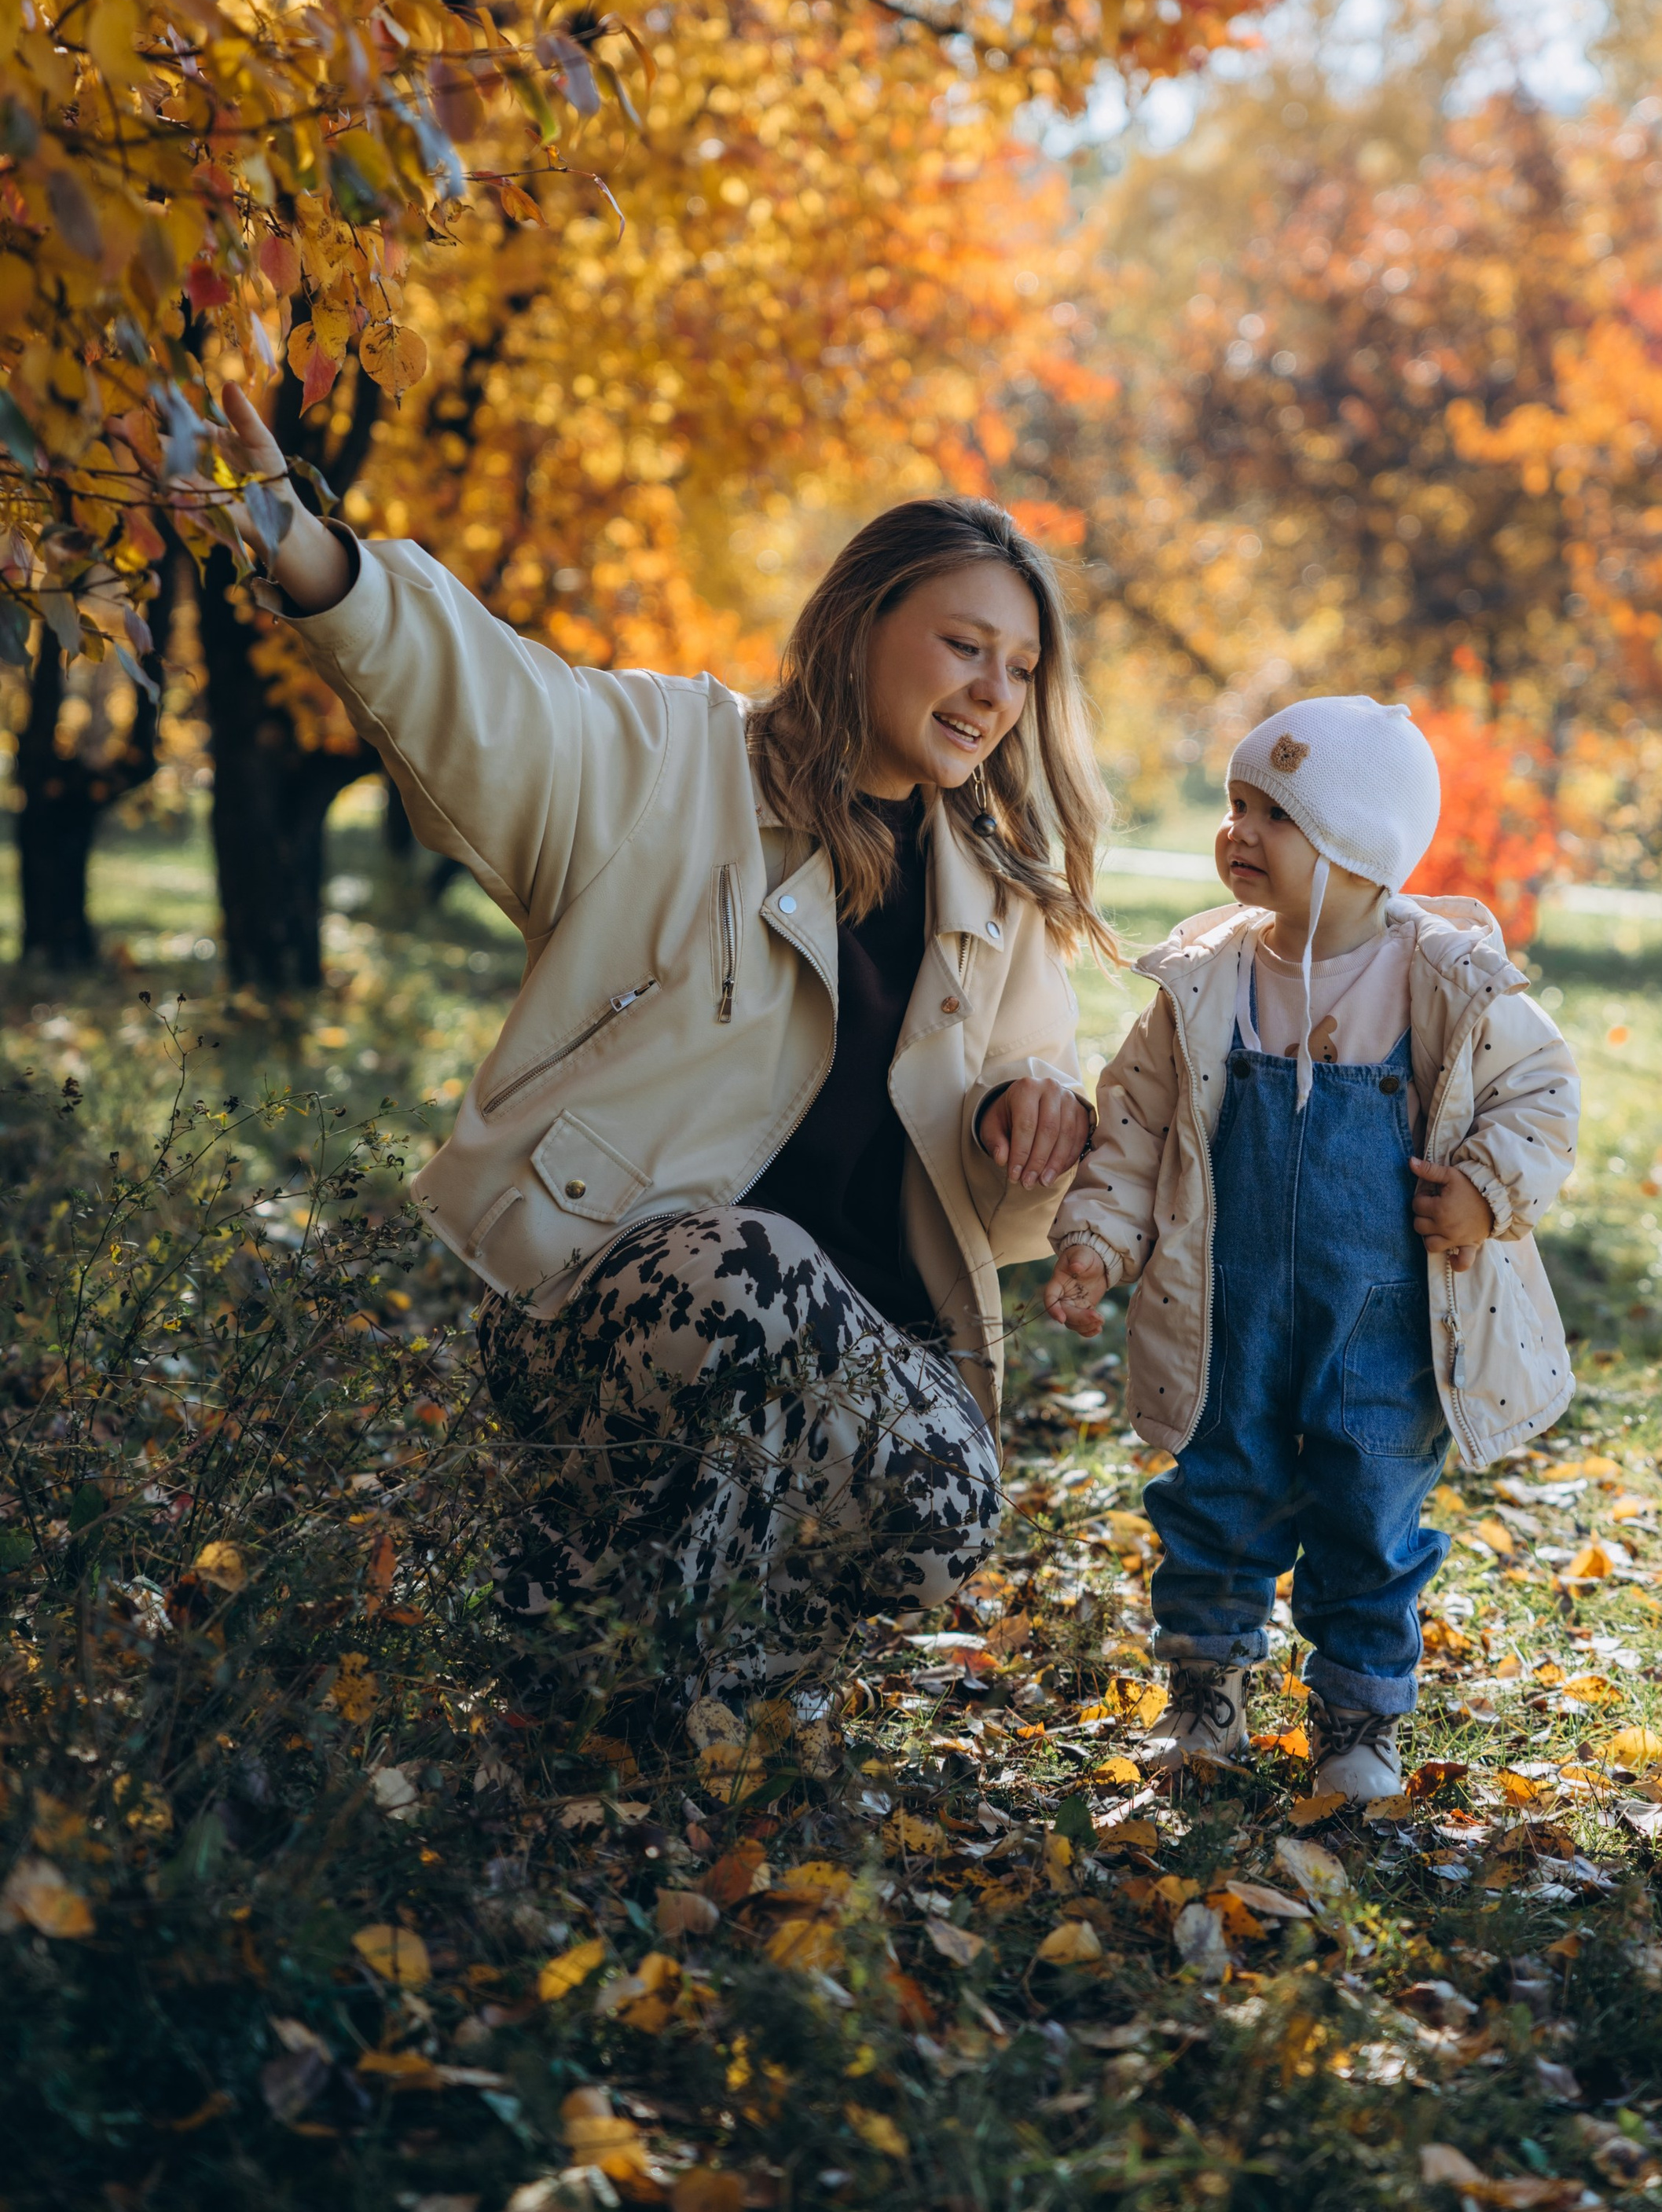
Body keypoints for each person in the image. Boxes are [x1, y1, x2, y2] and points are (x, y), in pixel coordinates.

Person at [216, 384, 1110, 1716]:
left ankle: (595, 1619)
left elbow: (1019, 1144)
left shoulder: (994, 896)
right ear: (861, 626)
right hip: (606, 1308)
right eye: (965, 646)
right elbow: (488, 700)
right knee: (758, 1269)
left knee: (951, 1508)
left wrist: (1032, 1108)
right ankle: (659, 1704)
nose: (995, 692)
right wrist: (306, 551)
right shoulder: (675, 766)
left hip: (841, 1347)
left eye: (1023, 668)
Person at [1044, 697, 1579, 1800]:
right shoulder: (1206, 980)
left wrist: (1485, 1189)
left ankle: (1358, 1716)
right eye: (1235, 804)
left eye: (1275, 814)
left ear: (1357, 845)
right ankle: (1206, 1687)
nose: (1238, 831)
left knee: (1369, 1511)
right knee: (1216, 1491)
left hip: (1384, 1322)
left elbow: (1539, 1093)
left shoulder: (1444, 980)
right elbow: (1138, 1124)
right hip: (1227, 1307)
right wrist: (1098, 1237)